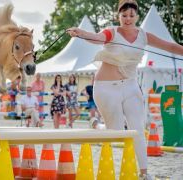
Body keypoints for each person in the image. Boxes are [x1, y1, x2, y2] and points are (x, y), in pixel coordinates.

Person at [67, 0, 183, 179]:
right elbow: (96, 37)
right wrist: (81, 33)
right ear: (118, 16)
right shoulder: (111, 32)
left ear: (137, 16)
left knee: (137, 128)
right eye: (124, 15)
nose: (128, 19)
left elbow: (171, 46)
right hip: (106, 88)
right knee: (117, 132)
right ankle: (97, 125)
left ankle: (144, 173)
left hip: (130, 86)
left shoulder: (144, 35)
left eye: (131, 15)